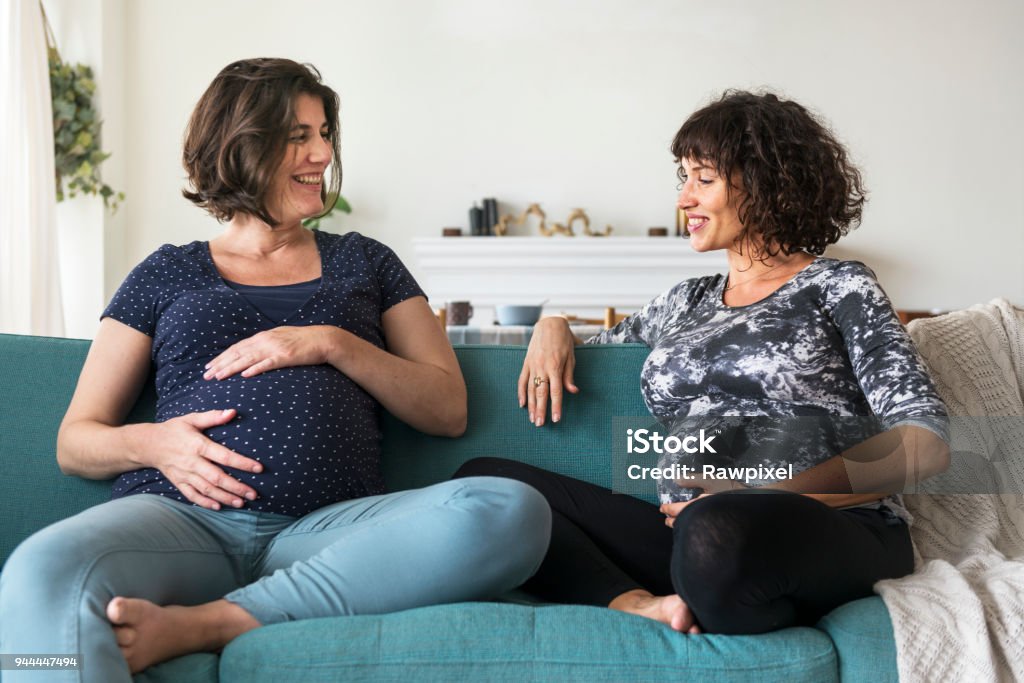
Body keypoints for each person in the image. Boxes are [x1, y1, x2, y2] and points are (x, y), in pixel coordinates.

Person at [0, 58, 551, 682]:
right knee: (39, 570)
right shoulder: (164, 271)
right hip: (181, 520)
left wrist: (333, 344)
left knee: (512, 510)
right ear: (240, 147)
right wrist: (154, 443)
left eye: (324, 134)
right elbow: (76, 441)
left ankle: (211, 623)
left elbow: (448, 409)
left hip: (333, 534)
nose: (321, 152)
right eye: (298, 136)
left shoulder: (366, 261)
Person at [455, 90, 950, 635]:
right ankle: (640, 602)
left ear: (766, 182)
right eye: (682, 179)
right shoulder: (683, 302)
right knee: (486, 485)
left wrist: (762, 495)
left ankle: (720, 588)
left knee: (716, 530)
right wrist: (554, 324)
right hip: (686, 531)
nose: (684, 199)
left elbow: (923, 442)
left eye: (703, 179)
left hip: (826, 524)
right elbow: (600, 344)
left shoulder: (839, 286)